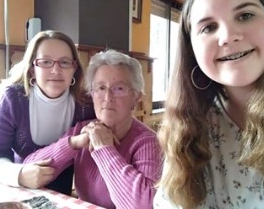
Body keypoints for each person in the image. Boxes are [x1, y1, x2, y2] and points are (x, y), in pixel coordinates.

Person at [153, 0, 264, 209]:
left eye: (245, 15)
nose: (228, 36)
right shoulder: (191, 126)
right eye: (208, 28)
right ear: (192, 50)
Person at [24, 49, 162, 209]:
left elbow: (144, 206)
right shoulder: (82, 130)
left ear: (136, 98)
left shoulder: (148, 142)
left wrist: (104, 148)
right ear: (92, 94)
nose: (108, 97)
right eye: (101, 88)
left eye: (119, 89)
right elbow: (30, 166)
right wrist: (74, 144)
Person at [0, 30, 95, 195]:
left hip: (65, 197)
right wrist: (19, 174)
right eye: (46, 62)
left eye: (65, 62)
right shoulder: (13, 99)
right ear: (32, 68)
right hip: (18, 193)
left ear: (74, 68)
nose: (56, 70)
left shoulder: (86, 104)